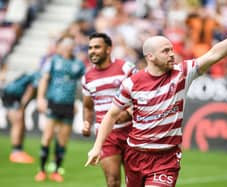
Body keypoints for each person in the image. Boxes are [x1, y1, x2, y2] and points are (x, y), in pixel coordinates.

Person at [85, 10, 227, 187]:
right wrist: (97, 147)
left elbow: (214, 54)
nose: (172, 54)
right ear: (150, 57)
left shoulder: (182, 73)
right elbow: (111, 115)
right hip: (135, 155)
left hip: (166, 158)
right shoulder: (132, 83)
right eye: (165, 51)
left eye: (172, 50)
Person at [81, 32, 135, 187]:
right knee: (113, 181)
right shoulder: (87, 78)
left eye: (97, 47)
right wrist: (86, 122)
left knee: (135, 181)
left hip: (130, 131)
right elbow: (88, 106)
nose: (92, 51)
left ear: (108, 49)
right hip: (106, 135)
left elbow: (143, 95)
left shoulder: (126, 68)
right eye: (90, 48)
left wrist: (128, 113)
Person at [34, 35, 85, 182]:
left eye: (71, 43)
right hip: (53, 102)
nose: (69, 46)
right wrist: (40, 98)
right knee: (48, 136)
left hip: (68, 105)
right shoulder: (53, 61)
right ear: (61, 46)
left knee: (63, 139)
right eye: (66, 43)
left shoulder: (78, 64)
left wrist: (77, 102)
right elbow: (44, 79)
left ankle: (56, 170)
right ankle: (42, 170)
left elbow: (82, 86)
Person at [1, 71, 40, 164]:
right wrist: (22, 106)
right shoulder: (42, 75)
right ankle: (16, 153)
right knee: (18, 123)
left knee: (21, 123)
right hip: (12, 95)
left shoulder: (37, 73)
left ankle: (19, 151)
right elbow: (31, 89)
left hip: (13, 94)